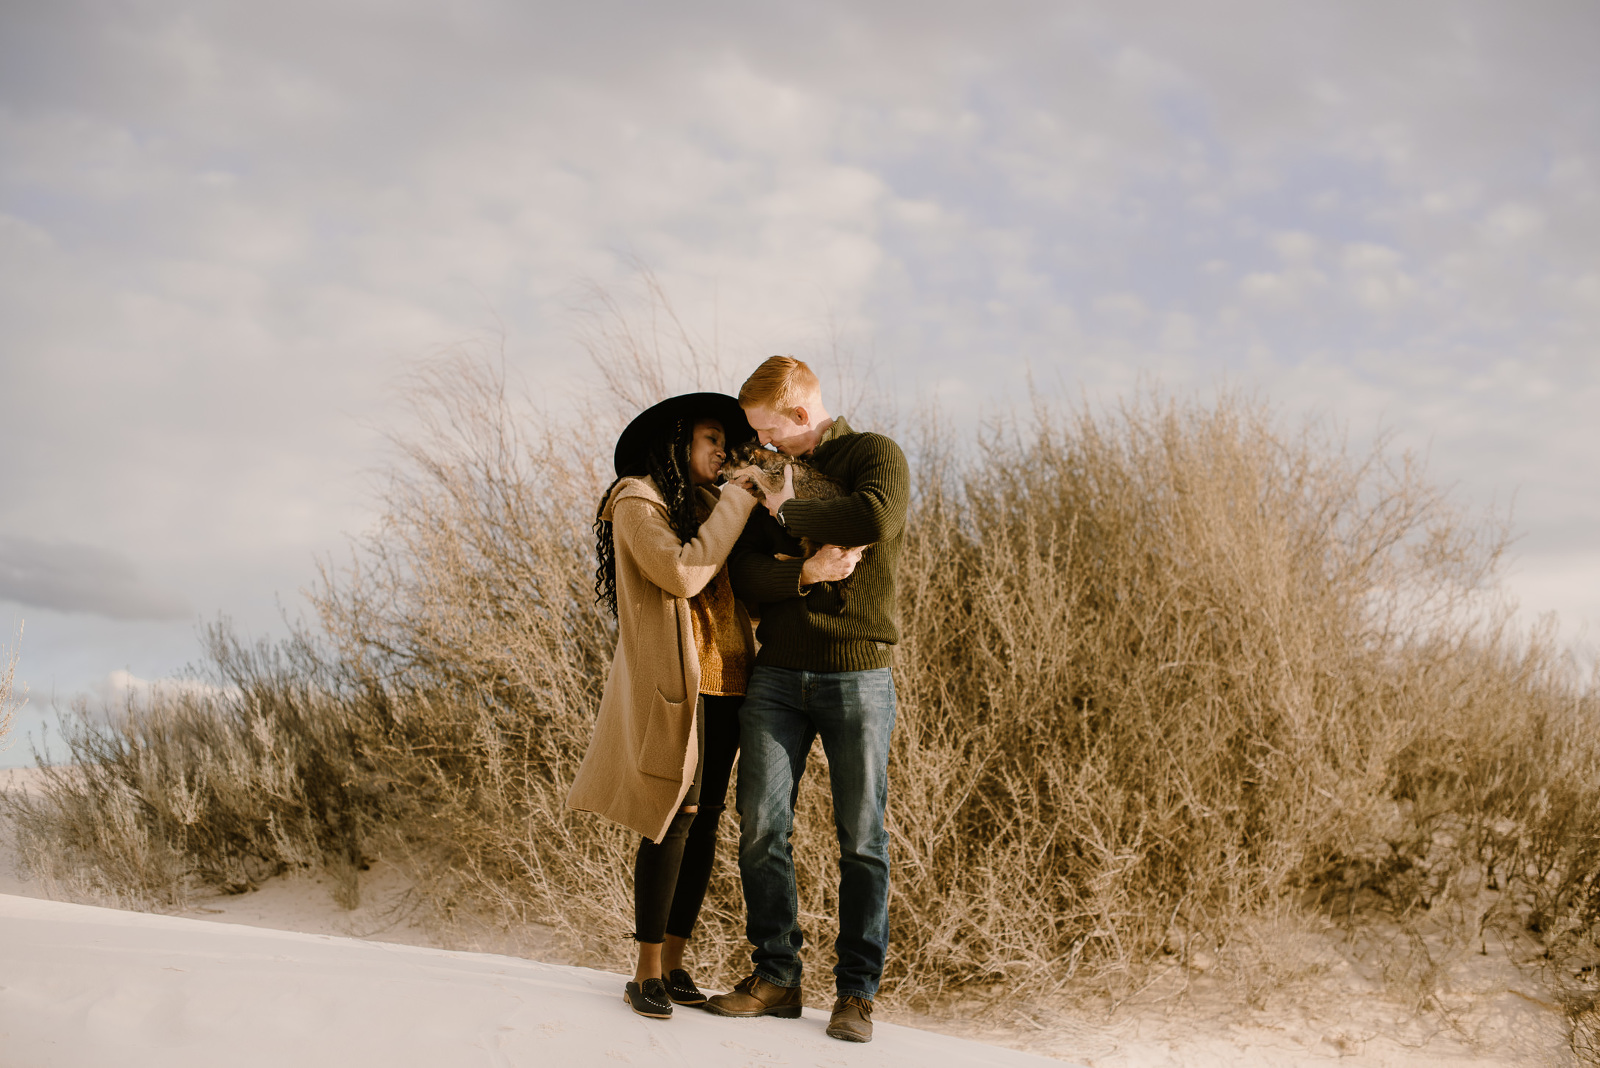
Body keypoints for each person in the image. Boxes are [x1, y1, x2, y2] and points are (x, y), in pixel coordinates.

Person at [703, 357, 909, 1044]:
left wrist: (788, 508)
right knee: (761, 829)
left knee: (863, 841)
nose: (764, 446)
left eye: (770, 431)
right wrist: (808, 570)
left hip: (859, 675)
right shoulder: (767, 467)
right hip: (778, 677)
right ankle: (776, 978)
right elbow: (748, 572)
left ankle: (855, 995)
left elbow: (872, 515)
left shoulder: (874, 455)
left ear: (799, 415)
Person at [567, 393, 759, 1019]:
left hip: (730, 678)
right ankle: (645, 969)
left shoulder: (706, 502)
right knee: (673, 815)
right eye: (711, 438)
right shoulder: (636, 501)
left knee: (707, 820)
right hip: (679, 685)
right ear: (677, 441)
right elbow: (681, 573)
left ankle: (676, 962)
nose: (722, 452)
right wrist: (739, 498)